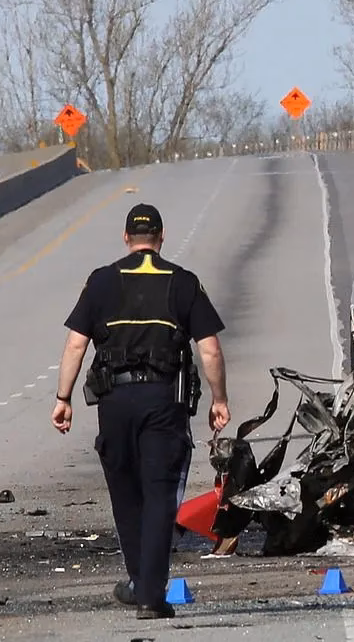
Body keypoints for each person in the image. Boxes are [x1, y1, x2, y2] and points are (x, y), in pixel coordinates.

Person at [50, 203, 232, 619]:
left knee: (126, 495)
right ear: (162, 237)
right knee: (158, 495)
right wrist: (219, 400)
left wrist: (63, 399)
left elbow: (76, 344)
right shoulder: (183, 283)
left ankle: (141, 583)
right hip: (161, 403)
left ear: (126, 238)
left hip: (113, 403)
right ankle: (149, 593)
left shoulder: (101, 282)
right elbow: (210, 348)